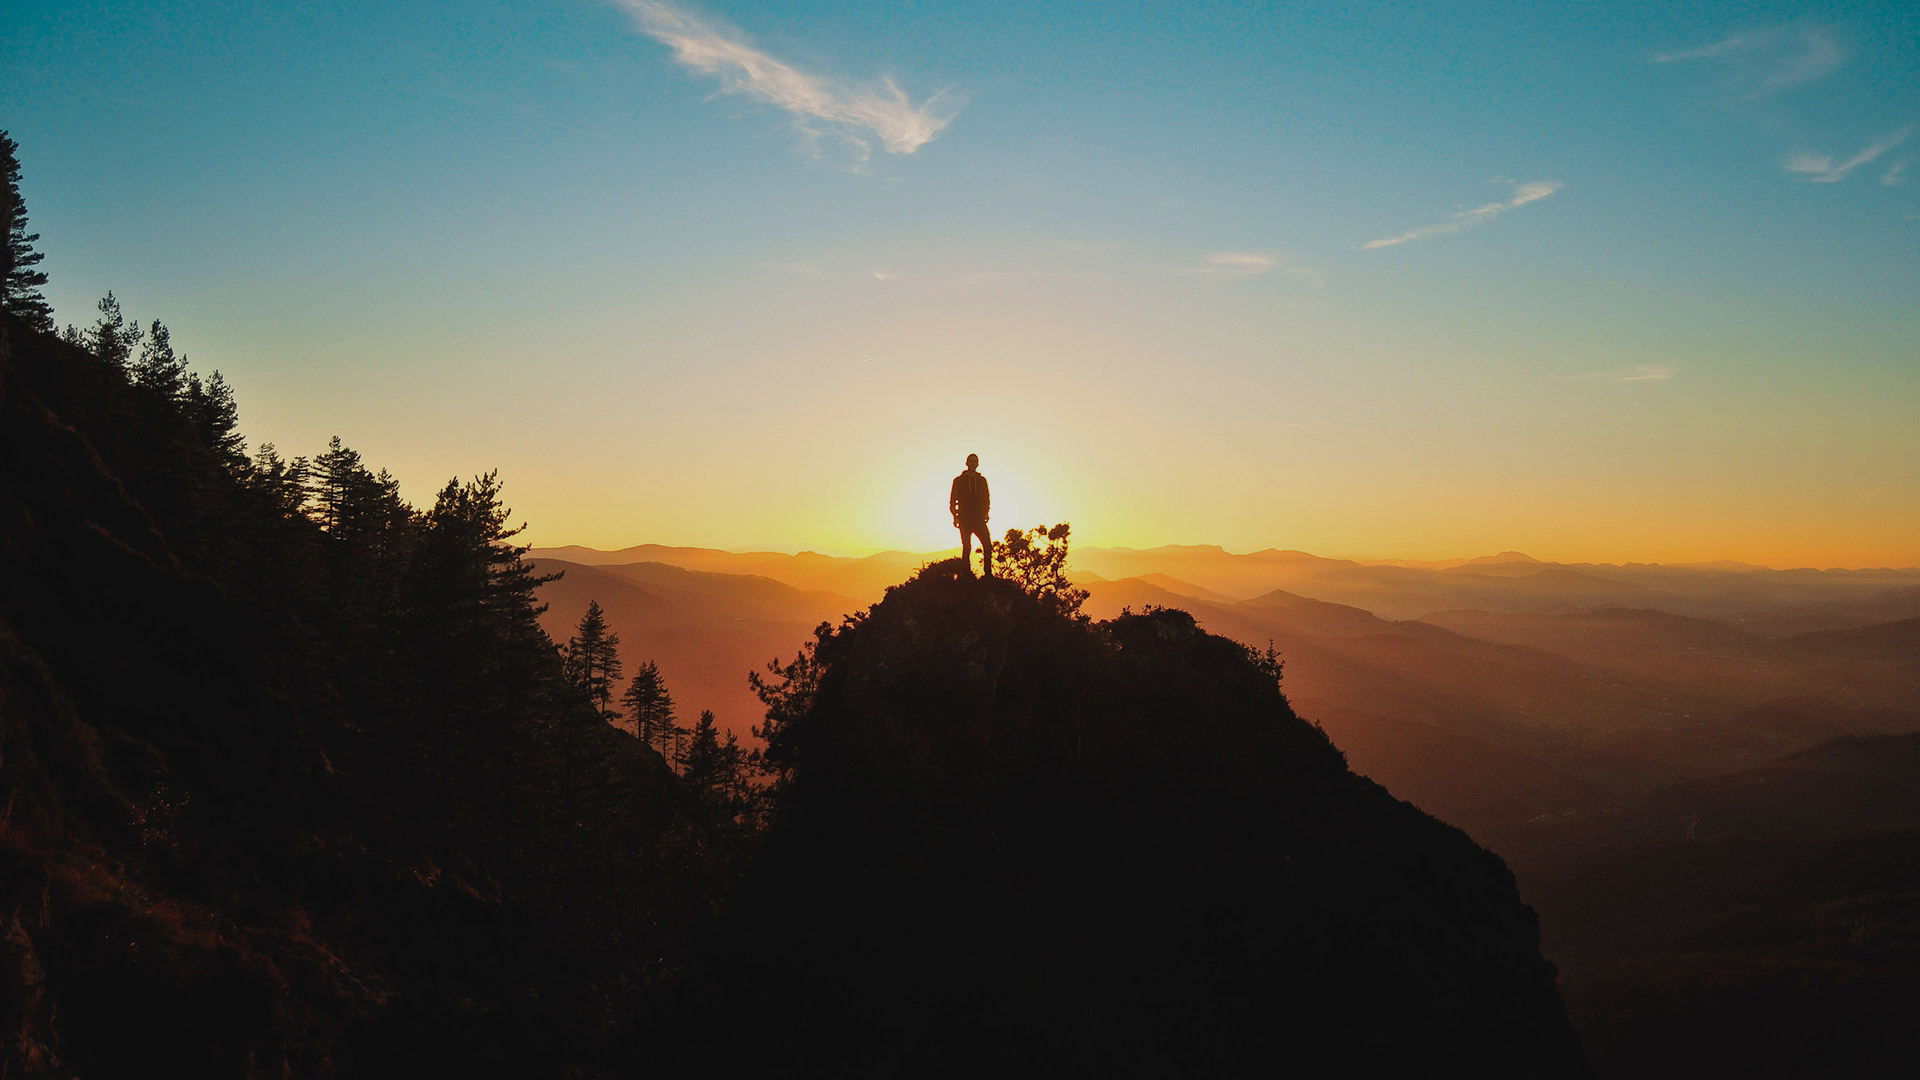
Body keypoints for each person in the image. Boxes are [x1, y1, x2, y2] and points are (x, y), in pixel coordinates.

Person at [950, 453, 992, 577]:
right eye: (971, 461)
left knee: (987, 545)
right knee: (967, 546)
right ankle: (966, 573)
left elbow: (986, 498)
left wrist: (986, 513)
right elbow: (953, 500)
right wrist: (955, 516)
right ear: (967, 463)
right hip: (964, 518)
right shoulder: (958, 481)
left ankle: (988, 573)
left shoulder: (982, 481)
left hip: (979, 518)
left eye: (975, 461)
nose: (973, 464)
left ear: (977, 464)